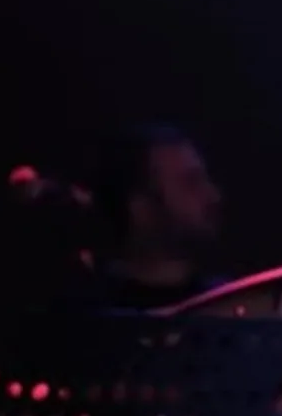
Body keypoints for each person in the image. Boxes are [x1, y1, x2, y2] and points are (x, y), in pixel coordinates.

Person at [79, 123, 225, 310]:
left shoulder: (228, 304)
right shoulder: (89, 315)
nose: (213, 196)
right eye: (191, 183)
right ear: (141, 208)